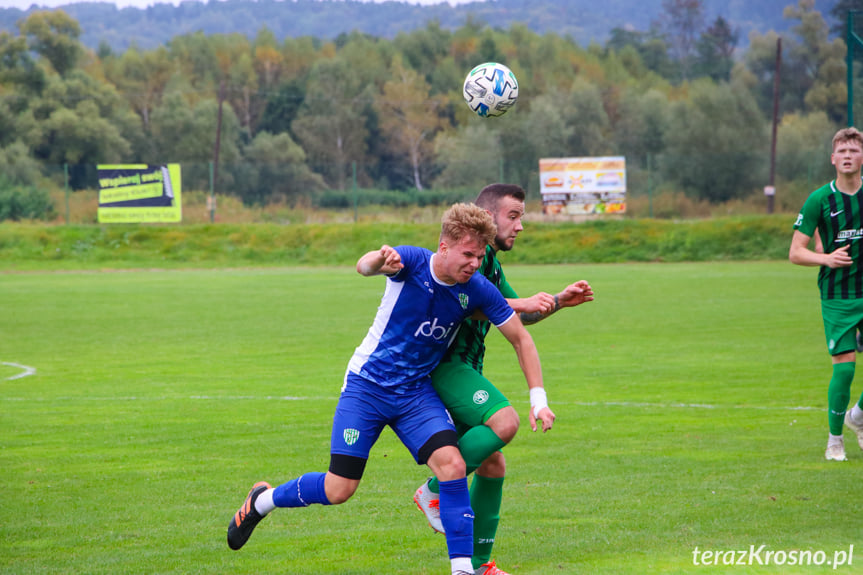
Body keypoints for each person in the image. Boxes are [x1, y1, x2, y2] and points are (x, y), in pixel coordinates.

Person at [226, 202, 550, 575]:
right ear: (444, 246)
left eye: (480, 256)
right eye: (468, 254)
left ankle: (463, 570)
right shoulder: (412, 261)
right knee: (339, 489)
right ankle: (263, 500)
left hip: (414, 395)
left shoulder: (475, 288)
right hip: (367, 388)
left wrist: (538, 400)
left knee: (453, 465)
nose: (475, 264)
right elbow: (364, 267)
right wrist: (378, 260)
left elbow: (521, 338)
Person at [413, 184, 594, 575]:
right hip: (445, 366)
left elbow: (519, 317)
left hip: (468, 370)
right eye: (513, 216)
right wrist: (523, 302)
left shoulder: (490, 265)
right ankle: (433, 492)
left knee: (493, 465)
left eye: (521, 217)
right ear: (487, 217)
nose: (520, 226)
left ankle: (478, 566)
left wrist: (559, 300)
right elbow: (467, 304)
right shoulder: (465, 260)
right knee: (505, 421)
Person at [790, 126, 863, 461]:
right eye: (842, 152)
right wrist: (827, 258)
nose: (848, 156)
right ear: (833, 159)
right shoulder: (820, 199)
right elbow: (796, 252)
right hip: (838, 295)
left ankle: (858, 417)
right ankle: (835, 440)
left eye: (854, 150)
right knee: (845, 369)